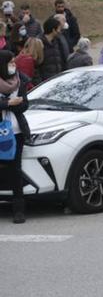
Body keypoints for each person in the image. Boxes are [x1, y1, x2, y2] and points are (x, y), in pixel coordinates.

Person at [0, 50, 30, 224]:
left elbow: (25, 104)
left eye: (14, 62)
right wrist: (7, 103)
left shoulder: (20, 80)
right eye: (10, 62)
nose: (14, 65)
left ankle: (19, 209)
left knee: (14, 170)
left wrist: (14, 105)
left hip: (16, 132)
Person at [37, 17, 67, 82]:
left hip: (57, 80)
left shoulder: (57, 41)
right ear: (53, 30)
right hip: (45, 82)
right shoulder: (39, 43)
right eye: (58, 29)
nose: (59, 31)